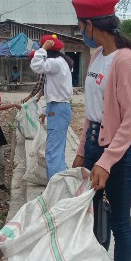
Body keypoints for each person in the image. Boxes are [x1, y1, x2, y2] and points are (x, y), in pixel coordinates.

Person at [71, 0, 131, 261]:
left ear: (91, 25)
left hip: (120, 151)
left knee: (119, 223)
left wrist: (107, 161)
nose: (80, 31)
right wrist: (80, 150)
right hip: (93, 145)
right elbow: (93, 112)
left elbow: (130, 119)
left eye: (80, 25)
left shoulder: (125, 60)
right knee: (91, 217)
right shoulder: (97, 54)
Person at [30, 34, 74, 180]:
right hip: (58, 108)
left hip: (58, 108)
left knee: (53, 152)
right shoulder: (61, 62)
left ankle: (54, 190)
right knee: (58, 151)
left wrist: (42, 49)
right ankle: (59, 185)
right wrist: (45, 110)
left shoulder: (55, 63)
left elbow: (36, 66)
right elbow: (54, 92)